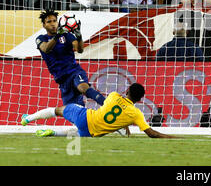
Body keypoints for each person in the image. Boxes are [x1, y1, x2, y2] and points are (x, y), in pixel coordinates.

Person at [21, 82, 175, 139]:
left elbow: (109, 106)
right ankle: (53, 133)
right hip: (91, 133)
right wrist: (169, 137)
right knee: (76, 131)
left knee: (58, 110)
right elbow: (151, 133)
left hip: (85, 116)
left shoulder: (114, 96)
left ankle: (28, 119)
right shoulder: (136, 114)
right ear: (140, 99)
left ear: (127, 90)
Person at [34, 9, 106, 108]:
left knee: (82, 87)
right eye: (49, 22)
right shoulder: (41, 38)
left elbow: (79, 49)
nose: (53, 24)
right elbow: (46, 49)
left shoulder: (66, 35)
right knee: (73, 111)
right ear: (44, 25)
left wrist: (79, 36)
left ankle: (106, 104)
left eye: (54, 21)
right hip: (62, 80)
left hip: (74, 71)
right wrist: (57, 36)